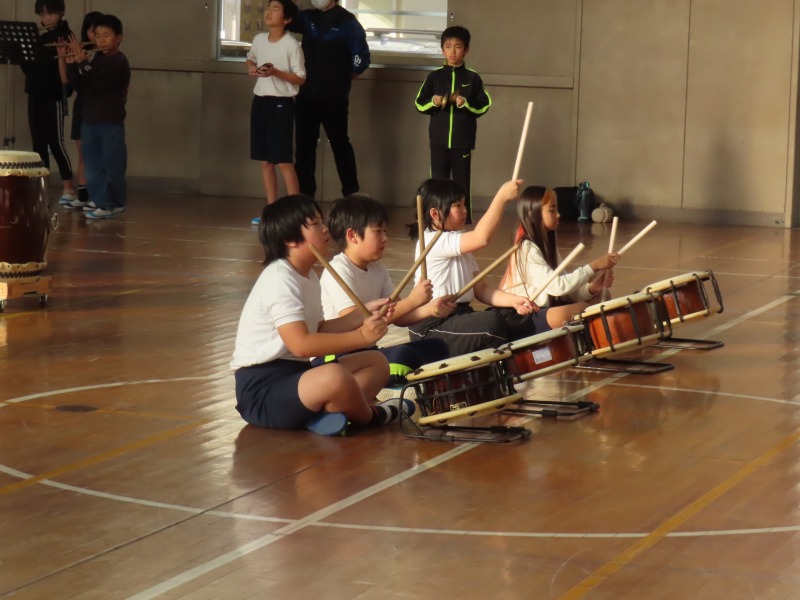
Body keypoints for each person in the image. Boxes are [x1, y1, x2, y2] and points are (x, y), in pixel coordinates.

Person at [230, 194, 415, 437]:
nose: (325, 228)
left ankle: (327, 414)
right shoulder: (279, 278)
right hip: (262, 392)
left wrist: (362, 314)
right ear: (290, 239)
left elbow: (318, 328)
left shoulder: (307, 275)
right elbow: (301, 345)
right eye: (315, 224)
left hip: (296, 377)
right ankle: (372, 416)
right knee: (334, 376)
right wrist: (361, 336)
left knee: (376, 362)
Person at [318, 194, 452, 387]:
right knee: (404, 356)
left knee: (438, 347)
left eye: (385, 231)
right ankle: (384, 384)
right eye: (378, 231)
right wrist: (412, 300)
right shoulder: (338, 269)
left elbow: (398, 315)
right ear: (352, 235)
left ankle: (391, 381)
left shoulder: (377, 268)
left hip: (368, 352)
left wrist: (431, 308)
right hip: (337, 357)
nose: (385, 238)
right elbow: (355, 322)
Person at [407, 178, 549, 357]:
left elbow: (481, 289)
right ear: (435, 214)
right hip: (433, 324)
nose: (465, 210)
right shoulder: (431, 241)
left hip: (459, 317)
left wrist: (514, 300)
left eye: (464, 204)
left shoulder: (457, 240)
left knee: (510, 315)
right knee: (492, 324)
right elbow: (481, 238)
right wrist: (501, 197)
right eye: (457, 206)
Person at [500, 186, 618, 319]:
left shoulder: (545, 244)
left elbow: (566, 292)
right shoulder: (526, 249)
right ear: (533, 215)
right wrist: (593, 266)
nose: (558, 215)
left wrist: (591, 288)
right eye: (552, 210)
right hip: (521, 314)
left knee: (602, 296)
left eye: (557, 209)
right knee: (580, 309)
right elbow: (558, 287)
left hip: (543, 308)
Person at [414, 26, 491, 225]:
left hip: (462, 142)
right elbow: (419, 104)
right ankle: (436, 219)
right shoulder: (434, 77)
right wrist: (433, 102)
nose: (453, 51)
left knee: (461, 183)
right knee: (437, 183)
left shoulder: (472, 78)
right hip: (438, 141)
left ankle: (463, 221)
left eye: (458, 47)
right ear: (442, 50)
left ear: (466, 50)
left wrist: (466, 104)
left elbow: (484, 105)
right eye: (448, 46)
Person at [293, 0, 370, 198]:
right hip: (305, 95)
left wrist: (343, 77)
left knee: (340, 145)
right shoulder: (308, 18)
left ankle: (351, 196)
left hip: (335, 98)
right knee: (304, 147)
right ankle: (305, 197)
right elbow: (286, 17)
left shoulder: (348, 22)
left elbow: (361, 58)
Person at [64, 14, 130, 220]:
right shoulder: (96, 59)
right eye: (98, 35)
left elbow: (99, 82)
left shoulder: (118, 61)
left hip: (110, 121)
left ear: (118, 38)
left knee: (112, 165)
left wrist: (83, 61)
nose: (101, 40)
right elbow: (82, 87)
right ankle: (104, 203)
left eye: (106, 35)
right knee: (93, 166)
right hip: (89, 119)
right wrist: (72, 65)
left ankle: (114, 203)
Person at [246, 0, 305, 225]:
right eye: (269, 8)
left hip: (281, 104)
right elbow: (250, 57)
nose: (269, 12)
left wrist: (276, 72)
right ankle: (271, 212)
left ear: (287, 19)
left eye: (276, 9)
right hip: (260, 102)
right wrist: (252, 68)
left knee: (283, 161)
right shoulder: (259, 39)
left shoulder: (292, 44)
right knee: (265, 161)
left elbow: (300, 78)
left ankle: (297, 213)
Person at [21, 0, 76, 206]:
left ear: (61, 12)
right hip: (35, 94)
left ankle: (68, 187)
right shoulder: (41, 37)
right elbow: (29, 67)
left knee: (56, 143)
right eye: (43, 15)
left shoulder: (66, 35)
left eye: (50, 13)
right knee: (38, 144)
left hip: (53, 96)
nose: (46, 18)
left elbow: (67, 71)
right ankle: (41, 187)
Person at [63, 10, 103, 212]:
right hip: (82, 105)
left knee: (94, 153)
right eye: (89, 30)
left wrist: (82, 61)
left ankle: (99, 195)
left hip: (97, 107)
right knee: (82, 152)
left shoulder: (104, 56)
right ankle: (84, 195)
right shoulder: (85, 52)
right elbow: (76, 85)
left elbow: (95, 83)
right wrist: (70, 63)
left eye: (97, 31)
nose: (92, 35)